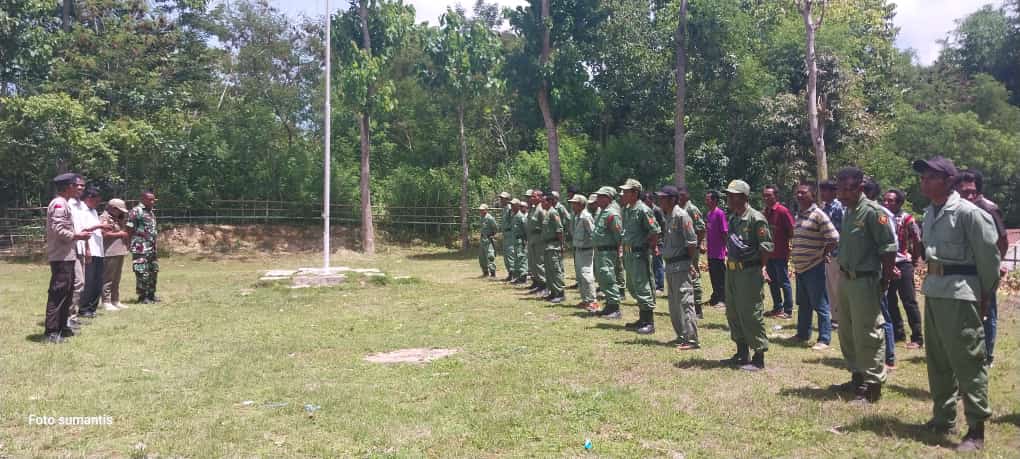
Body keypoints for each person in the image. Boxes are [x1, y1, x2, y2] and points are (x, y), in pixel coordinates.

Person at [913, 157, 1000, 451]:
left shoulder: (968, 213)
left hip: (961, 293)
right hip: (935, 290)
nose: (924, 180)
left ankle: (976, 429)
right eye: (923, 176)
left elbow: (989, 258)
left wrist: (985, 294)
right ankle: (943, 417)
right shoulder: (928, 213)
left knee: (968, 361)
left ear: (948, 180)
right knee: (937, 361)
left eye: (931, 176)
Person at [828, 168, 896, 404]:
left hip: (865, 280)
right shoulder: (849, 212)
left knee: (868, 332)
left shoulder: (874, 213)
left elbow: (888, 249)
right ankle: (857, 377)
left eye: (848, 189)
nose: (842, 194)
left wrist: (884, 281)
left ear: (860, 188)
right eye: (840, 189)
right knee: (847, 331)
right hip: (846, 279)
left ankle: (872, 385)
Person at [955, 170, 1009, 367]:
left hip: (985, 269)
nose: (969, 196)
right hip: (965, 270)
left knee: (988, 312)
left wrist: (995, 264)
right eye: (964, 192)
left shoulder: (988, 208)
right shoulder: (958, 209)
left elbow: (1002, 241)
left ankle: (987, 355)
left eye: (973, 191)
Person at [720, 180, 773, 371]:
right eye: (728, 195)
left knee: (751, 312)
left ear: (743, 197)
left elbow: (766, 246)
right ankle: (742, 353)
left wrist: (763, 267)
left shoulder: (756, 218)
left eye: (732, 195)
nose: (729, 199)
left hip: (749, 272)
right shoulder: (733, 218)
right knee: (733, 311)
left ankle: (758, 357)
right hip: (733, 271)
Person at [43, 173, 94, 343]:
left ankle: (63, 327)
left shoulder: (65, 203)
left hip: (68, 255)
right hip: (61, 256)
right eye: (75, 185)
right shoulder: (59, 203)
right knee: (58, 293)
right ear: (68, 187)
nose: (78, 188)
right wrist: (77, 236)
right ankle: (51, 331)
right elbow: (58, 229)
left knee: (68, 292)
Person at [790, 181, 838, 350]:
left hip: (814, 266)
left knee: (820, 304)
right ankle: (803, 334)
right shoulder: (800, 214)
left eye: (803, 193)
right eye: (798, 193)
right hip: (800, 267)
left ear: (812, 195)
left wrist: (823, 253)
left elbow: (833, 237)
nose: (799, 195)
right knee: (803, 303)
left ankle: (824, 339)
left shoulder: (819, 214)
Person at [657, 185, 700, 350]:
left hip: (681, 265)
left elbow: (691, 242)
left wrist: (688, 262)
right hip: (670, 266)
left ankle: (692, 339)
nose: (660, 201)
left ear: (672, 199)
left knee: (685, 302)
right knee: (674, 305)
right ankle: (682, 335)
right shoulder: (668, 216)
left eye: (663, 198)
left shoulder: (682, 216)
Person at [882, 188, 923, 349]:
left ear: (899, 203)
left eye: (890, 200)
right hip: (888, 263)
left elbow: (917, 239)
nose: (886, 203)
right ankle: (898, 333)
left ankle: (917, 337)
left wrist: (914, 259)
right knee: (890, 299)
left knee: (909, 300)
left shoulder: (907, 219)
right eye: (884, 200)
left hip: (903, 262)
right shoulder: (883, 218)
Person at [619, 179, 661, 334]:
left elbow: (654, 230)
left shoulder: (643, 209)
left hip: (639, 254)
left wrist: (648, 246)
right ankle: (642, 319)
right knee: (633, 286)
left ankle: (649, 322)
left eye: (626, 191)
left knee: (643, 286)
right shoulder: (628, 209)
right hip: (629, 253)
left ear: (635, 193)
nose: (623, 194)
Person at [865, 179, 898, 369]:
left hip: (876, 273)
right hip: (862, 275)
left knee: (883, 316)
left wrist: (888, 271)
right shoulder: (856, 212)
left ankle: (889, 357)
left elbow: (891, 244)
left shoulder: (880, 214)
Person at [74, 187, 110, 318]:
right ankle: (83, 309)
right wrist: (100, 226)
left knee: (98, 281)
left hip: (99, 250)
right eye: (96, 201)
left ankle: (92, 308)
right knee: (88, 281)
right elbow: (83, 229)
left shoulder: (94, 211)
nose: (97, 204)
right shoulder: (80, 210)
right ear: (88, 198)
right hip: (88, 249)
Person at [591, 187, 625, 319]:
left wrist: (618, 250)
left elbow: (618, 234)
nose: (598, 199)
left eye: (600, 196)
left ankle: (615, 308)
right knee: (602, 278)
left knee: (609, 278)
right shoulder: (603, 212)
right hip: (600, 251)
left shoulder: (612, 213)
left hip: (608, 252)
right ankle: (609, 305)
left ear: (608, 198)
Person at [762, 185, 794, 319]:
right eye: (764, 195)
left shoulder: (782, 211)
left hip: (780, 253)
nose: (766, 198)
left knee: (784, 281)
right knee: (772, 281)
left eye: (769, 195)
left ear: (776, 196)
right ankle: (777, 308)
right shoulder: (765, 212)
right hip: (769, 254)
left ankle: (788, 310)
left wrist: (788, 246)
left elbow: (792, 230)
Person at [677, 186, 706, 318]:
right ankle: (689, 305)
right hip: (683, 248)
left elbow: (701, 228)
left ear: (687, 196)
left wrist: (698, 244)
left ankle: (698, 307)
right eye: (678, 195)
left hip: (691, 248)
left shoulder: (691, 209)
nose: (679, 198)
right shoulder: (679, 209)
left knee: (694, 275)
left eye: (682, 195)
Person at [127, 190, 160, 303]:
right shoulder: (136, 211)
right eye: (150, 199)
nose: (152, 202)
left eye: (153, 199)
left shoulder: (151, 212)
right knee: (142, 271)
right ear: (143, 199)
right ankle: (143, 296)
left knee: (153, 270)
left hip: (151, 247)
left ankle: (151, 294)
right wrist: (130, 242)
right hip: (141, 247)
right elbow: (129, 227)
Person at [820, 180, 844, 329]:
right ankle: (835, 318)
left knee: (838, 287)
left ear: (834, 192)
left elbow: (843, 232)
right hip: (828, 253)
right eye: (821, 191)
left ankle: (842, 318)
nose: (822, 194)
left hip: (837, 253)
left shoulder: (838, 208)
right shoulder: (825, 207)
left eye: (825, 191)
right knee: (830, 288)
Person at [101, 198, 131, 311]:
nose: (121, 212)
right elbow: (104, 234)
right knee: (108, 278)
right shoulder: (104, 218)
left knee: (116, 278)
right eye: (119, 210)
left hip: (119, 251)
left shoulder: (118, 218)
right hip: (110, 252)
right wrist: (120, 233)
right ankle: (106, 301)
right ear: (113, 208)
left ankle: (115, 300)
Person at [569, 194, 598, 311]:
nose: (572, 205)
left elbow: (593, 233)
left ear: (581, 204)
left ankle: (592, 301)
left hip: (586, 250)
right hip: (578, 249)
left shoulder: (586, 217)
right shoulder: (577, 216)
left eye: (574, 203)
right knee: (580, 276)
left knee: (587, 276)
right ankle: (585, 300)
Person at [540, 192, 566, 303]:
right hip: (547, 245)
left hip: (554, 245)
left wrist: (561, 244)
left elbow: (559, 230)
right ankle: (553, 292)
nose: (542, 203)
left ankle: (560, 292)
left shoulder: (553, 212)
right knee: (549, 270)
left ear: (550, 202)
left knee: (555, 270)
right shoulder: (547, 213)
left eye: (544, 201)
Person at [704, 190, 728, 308]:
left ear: (714, 200)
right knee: (713, 276)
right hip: (711, 252)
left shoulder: (720, 214)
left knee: (720, 277)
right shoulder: (709, 214)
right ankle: (715, 297)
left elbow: (724, 232)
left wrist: (726, 248)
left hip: (719, 252)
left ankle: (723, 299)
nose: (706, 201)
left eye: (708, 199)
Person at [643, 191, 666, 294]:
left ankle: (659, 286)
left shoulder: (657, 210)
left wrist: (660, 238)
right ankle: (651, 284)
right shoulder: (645, 210)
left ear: (651, 200)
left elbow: (663, 225)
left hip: (658, 240)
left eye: (647, 200)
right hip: (648, 240)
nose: (645, 202)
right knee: (650, 264)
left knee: (658, 264)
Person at [525, 190, 547, 294]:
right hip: (532, 237)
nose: (531, 198)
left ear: (540, 197)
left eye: (534, 197)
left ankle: (544, 285)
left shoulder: (541, 209)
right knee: (533, 263)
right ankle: (538, 283)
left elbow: (545, 225)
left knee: (540, 262)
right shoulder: (533, 209)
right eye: (531, 197)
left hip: (539, 238)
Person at [509, 199, 529, 284]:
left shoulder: (521, 216)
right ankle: (517, 276)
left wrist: (526, 240)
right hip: (515, 240)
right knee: (516, 259)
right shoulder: (514, 216)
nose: (512, 207)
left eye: (513, 205)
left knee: (521, 258)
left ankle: (523, 276)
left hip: (521, 241)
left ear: (518, 206)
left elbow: (526, 229)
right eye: (511, 205)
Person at [477, 203, 498, 277]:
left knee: (490, 256)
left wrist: (492, 236)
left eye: (482, 210)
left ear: (486, 210)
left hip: (488, 239)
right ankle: (485, 272)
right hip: (482, 239)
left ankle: (492, 272)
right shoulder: (481, 217)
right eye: (480, 210)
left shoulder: (490, 218)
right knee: (481, 256)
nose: (481, 211)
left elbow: (495, 228)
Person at [498, 192, 515, 281]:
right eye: (501, 198)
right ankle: (510, 272)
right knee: (506, 255)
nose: (501, 200)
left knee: (510, 254)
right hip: (506, 234)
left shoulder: (509, 209)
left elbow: (513, 222)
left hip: (510, 234)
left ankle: (513, 273)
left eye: (503, 198)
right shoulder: (504, 209)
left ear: (508, 200)